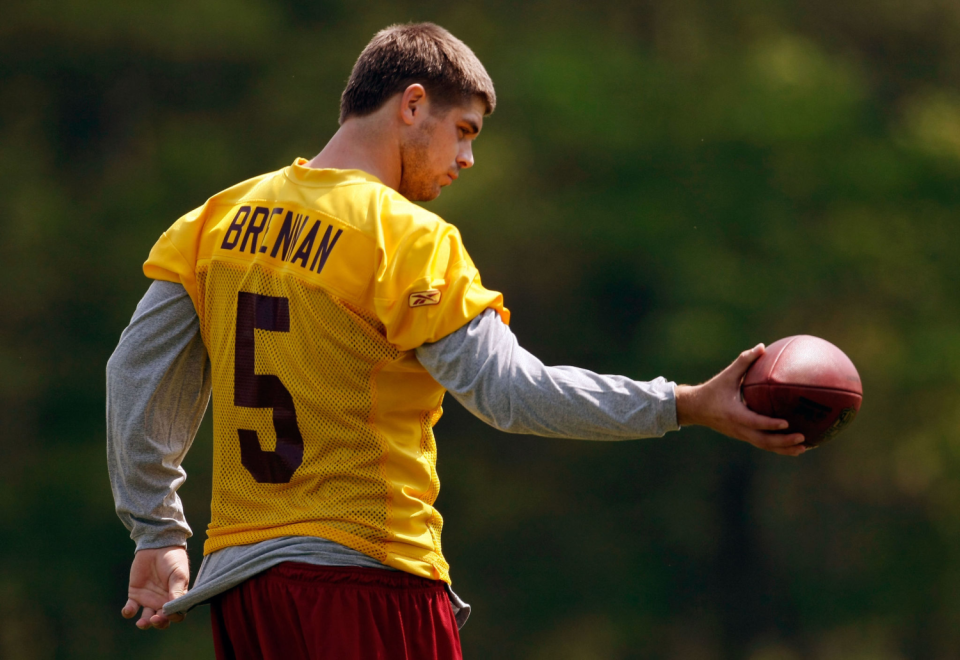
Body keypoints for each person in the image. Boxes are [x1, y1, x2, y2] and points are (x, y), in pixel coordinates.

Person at [106, 22, 806, 660]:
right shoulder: (406, 238)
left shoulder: (215, 221)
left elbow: (134, 375)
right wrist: (682, 403)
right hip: (367, 575)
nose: (467, 157)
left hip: (246, 592)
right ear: (411, 106)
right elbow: (512, 394)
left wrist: (158, 532)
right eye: (464, 130)